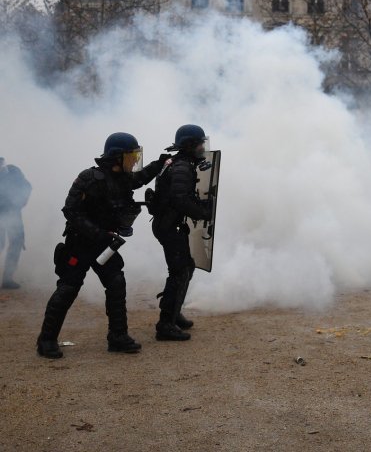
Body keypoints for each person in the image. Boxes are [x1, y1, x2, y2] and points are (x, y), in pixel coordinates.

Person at [36, 133, 166, 359]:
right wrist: (99, 234)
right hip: (81, 244)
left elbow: (141, 177)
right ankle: (46, 340)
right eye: (131, 155)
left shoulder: (124, 178)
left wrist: (160, 163)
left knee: (116, 283)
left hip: (104, 246)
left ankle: (118, 337)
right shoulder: (89, 178)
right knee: (68, 288)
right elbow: (70, 211)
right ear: (117, 157)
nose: (135, 160)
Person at [149, 124, 212, 342]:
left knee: (186, 267)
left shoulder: (180, 163)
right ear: (189, 145)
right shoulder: (182, 167)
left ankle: (174, 314)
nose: (203, 147)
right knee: (179, 272)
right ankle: (165, 324)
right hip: (169, 226)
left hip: (169, 224)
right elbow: (179, 199)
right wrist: (204, 212)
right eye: (200, 143)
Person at [0, 157, 32, 289]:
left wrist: (18, 203)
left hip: (13, 213)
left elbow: (26, 187)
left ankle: (7, 279)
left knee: (16, 242)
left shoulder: (13, 171)